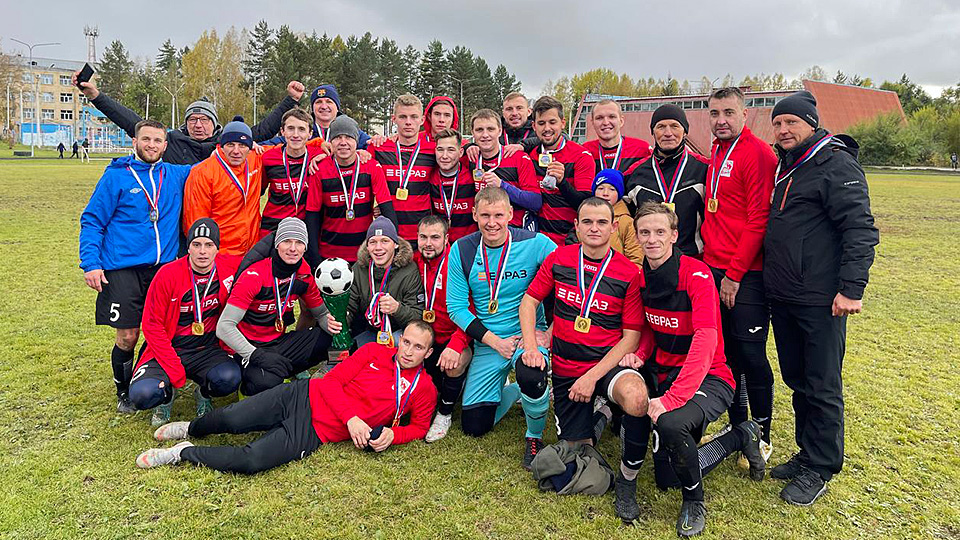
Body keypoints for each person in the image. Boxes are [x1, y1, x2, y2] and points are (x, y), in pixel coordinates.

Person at [622, 202, 766, 537]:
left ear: (674, 235)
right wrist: (641, 354)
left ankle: (694, 501)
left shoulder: (696, 274)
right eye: (645, 232)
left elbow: (706, 339)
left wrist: (673, 398)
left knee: (671, 423)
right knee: (666, 477)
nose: (652, 239)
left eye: (660, 232)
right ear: (637, 237)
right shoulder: (640, 278)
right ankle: (741, 436)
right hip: (667, 373)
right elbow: (650, 327)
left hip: (710, 376)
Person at [766, 91, 879, 505]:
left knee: (822, 383)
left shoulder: (835, 163)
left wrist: (851, 289)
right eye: (778, 124)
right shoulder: (787, 163)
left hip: (820, 297)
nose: (783, 130)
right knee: (798, 379)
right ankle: (806, 452)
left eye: (791, 123)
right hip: (786, 294)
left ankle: (822, 466)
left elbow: (860, 229)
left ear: (811, 124)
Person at [136, 322, 438, 474]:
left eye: (418, 347)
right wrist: (352, 419)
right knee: (231, 418)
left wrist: (394, 435)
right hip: (301, 395)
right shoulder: (373, 352)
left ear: (428, 353)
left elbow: (419, 427)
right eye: (406, 342)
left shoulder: (424, 388)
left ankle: (182, 453)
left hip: (314, 432)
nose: (408, 351)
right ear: (399, 340)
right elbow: (331, 382)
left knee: (252, 460)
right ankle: (191, 428)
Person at [520, 197, 650, 521]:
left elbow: (631, 338)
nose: (594, 228)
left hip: (606, 365)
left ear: (614, 227)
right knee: (577, 448)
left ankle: (627, 482)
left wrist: (592, 377)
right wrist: (531, 347)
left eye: (602, 222)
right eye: (587, 222)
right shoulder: (559, 258)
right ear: (576, 226)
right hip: (566, 369)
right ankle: (604, 412)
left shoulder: (628, 272)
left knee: (636, 399)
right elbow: (529, 302)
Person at [79, 120, 194, 413]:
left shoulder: (176, 174)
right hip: (123, 268)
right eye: (146, 139)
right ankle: (123, 391)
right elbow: (92, 220)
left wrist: (259, 146)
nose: (151, 145)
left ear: (165, 146)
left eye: (157, 141)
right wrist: (91, 263)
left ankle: (152, 379)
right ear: (134, 142)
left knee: (163, 331)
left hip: (163, 269)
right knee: (128, 335)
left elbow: (217, 162)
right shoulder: (116, 177)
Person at [446, 187, 556, 469]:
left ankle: (534, 436)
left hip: (527, 336)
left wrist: (549, 333)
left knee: (531, 371)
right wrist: (495, 342)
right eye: (485, 215)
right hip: (489, 342)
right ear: (474, 215)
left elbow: (571, 283)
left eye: (498, 215)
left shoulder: (536, 243)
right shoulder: (462, 249)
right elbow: (456, 307)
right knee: (474, 426)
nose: (492, 223)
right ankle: (518, 391)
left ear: (510, 213)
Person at [701, 87, 777, 456]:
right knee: (728, 354)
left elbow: (758, 219)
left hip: (746, 273)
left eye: (728, 112)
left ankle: (762, 435)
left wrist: (734, 275)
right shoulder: (717, 150)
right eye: (714, 113)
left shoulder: (758, 153)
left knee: (751, 355)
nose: (721, 120)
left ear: (745, 114)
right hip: (714, 267)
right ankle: (737, 425)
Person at [129, 219, 241, 426]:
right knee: (143, 394)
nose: (202, 251)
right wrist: (174, 369)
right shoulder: (167, 274)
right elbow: (152, 325)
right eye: (196, 244)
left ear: (218, 248)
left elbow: (264, 259)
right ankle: (166, 396)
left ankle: (203, 393)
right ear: (188, 247)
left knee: (229, 378)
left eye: (209, 245)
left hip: (208, 349)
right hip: (171, 347)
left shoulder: (230, 268)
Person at [75, 70, 303, 165]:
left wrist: (290, 100)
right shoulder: (172, 141)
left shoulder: (228, 142)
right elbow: (132, 122)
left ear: (214, 123)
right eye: (193, 119)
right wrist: (96, 96)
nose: (198, 125)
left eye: (204, 120)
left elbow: (264, 130)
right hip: (179, 216)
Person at [216, 218, 332, 395]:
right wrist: (255, 355)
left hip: (278, 341)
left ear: (305, 247)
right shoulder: (254, 276)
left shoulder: (303, 273)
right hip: (248, 347)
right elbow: (224, 327)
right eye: (286, 241)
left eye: (299, 242)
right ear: (277, 244)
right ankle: (248, 389)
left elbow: (321, 313)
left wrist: (336, 328)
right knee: (266, 381)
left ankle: (280, 371)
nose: (293, 248)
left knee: (330, 339)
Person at [305, 115, 396, 267]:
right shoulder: (319, 169)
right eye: (337, 137)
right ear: (330, 141)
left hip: (364, 253)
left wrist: (395, 247)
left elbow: (387, 209)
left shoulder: (371, 167)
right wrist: (314, 256)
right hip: (329, 253)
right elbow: (312, 216)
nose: (343, 142)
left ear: (356, 141)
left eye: (348, 137)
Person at [414, 215, 473, 442]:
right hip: (426, 336)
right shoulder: (413, 261)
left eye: (435, 237)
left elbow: (471, 310)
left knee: (454, 363)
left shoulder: (457, 264)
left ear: (446, 238)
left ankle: (445, 413)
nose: (428, 243)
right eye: (423, 237)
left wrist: (457, 345)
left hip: (454, 335)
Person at [623, 104, 708, 256]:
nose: (668, 133)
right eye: (661, 127)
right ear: (653, 132)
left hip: (693, 259)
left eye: (675, 126)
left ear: (685, 131)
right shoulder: (634, 173)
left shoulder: (703, 169)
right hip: (649, 260)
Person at [326, 217, 424, 347]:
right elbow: (349, 306)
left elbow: (418, 317)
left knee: (393, 345)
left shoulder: (409, 270)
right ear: (367, 246)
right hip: (371, 331)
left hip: (400, 332)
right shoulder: (359, 268)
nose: (378, 248)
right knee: (356, 351)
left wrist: (397, 308)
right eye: (373, 242)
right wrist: (339, 319)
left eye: (385, 241)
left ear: (395, 244)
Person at [182, 117, 264, 257]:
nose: (236, 151)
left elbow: (291, 146)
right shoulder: (202, 173)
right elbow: (195, 222)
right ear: (221, 145)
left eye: (242, 145)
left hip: (251, 252)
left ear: (250, 147)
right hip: (220, 254)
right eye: (230, 144)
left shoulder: (255, 158)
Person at [368, 95, 438, 247]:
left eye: (414, 117)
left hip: (422, 233)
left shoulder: (433, 150)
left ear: (422, 120)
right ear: (394, 119)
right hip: (390, 233)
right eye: (402, 117)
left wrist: (469, 147)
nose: (408, 122)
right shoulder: (379, 148)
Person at [528, 96, 596, 244]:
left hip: (569, 241)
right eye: (541, 123)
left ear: (563, 123)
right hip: (537, 241)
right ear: (534, 126)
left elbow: (585, 204)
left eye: (552, 122)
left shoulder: (581, 156)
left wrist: (562, 183)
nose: (547, 128)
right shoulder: (529, 156)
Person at [467, 109, 540, 230]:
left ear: (500, 131)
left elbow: (535, 202)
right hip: (485, 230)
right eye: (479, 130)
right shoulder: (469, 158)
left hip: (516, 230)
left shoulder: (519, 158)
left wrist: (502, 185)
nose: (485, 135)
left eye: (490, 129)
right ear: (472, 133)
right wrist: (467, 146)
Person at [259, 107, 327, 237]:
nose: (296, 134)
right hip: (272, 228)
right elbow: (258, 191)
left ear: (310, 134)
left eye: (301, 129)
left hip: (305, 230)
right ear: (282, 131)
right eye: (290, 128)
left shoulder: (319, 156)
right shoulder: (268, 158)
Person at [567, 169, 643, 266]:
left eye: (612, 189)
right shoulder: (583, 216)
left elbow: (636, 260)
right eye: (600, 188)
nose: (605, 193)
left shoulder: (627, 222)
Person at [428, 128, 478, 243]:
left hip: (469, 243)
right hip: (441, 244)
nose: (444, 156)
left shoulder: (471, 174)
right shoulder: (430, 175)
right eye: (440, 150)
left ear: (460, 152)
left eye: (451, 150)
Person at [582, 99, 652, 176]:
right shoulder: (584, 151)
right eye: (599, 118)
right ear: (592, 123)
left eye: (612, 117)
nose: (605, 122)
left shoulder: (642, 149)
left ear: (621, 121)